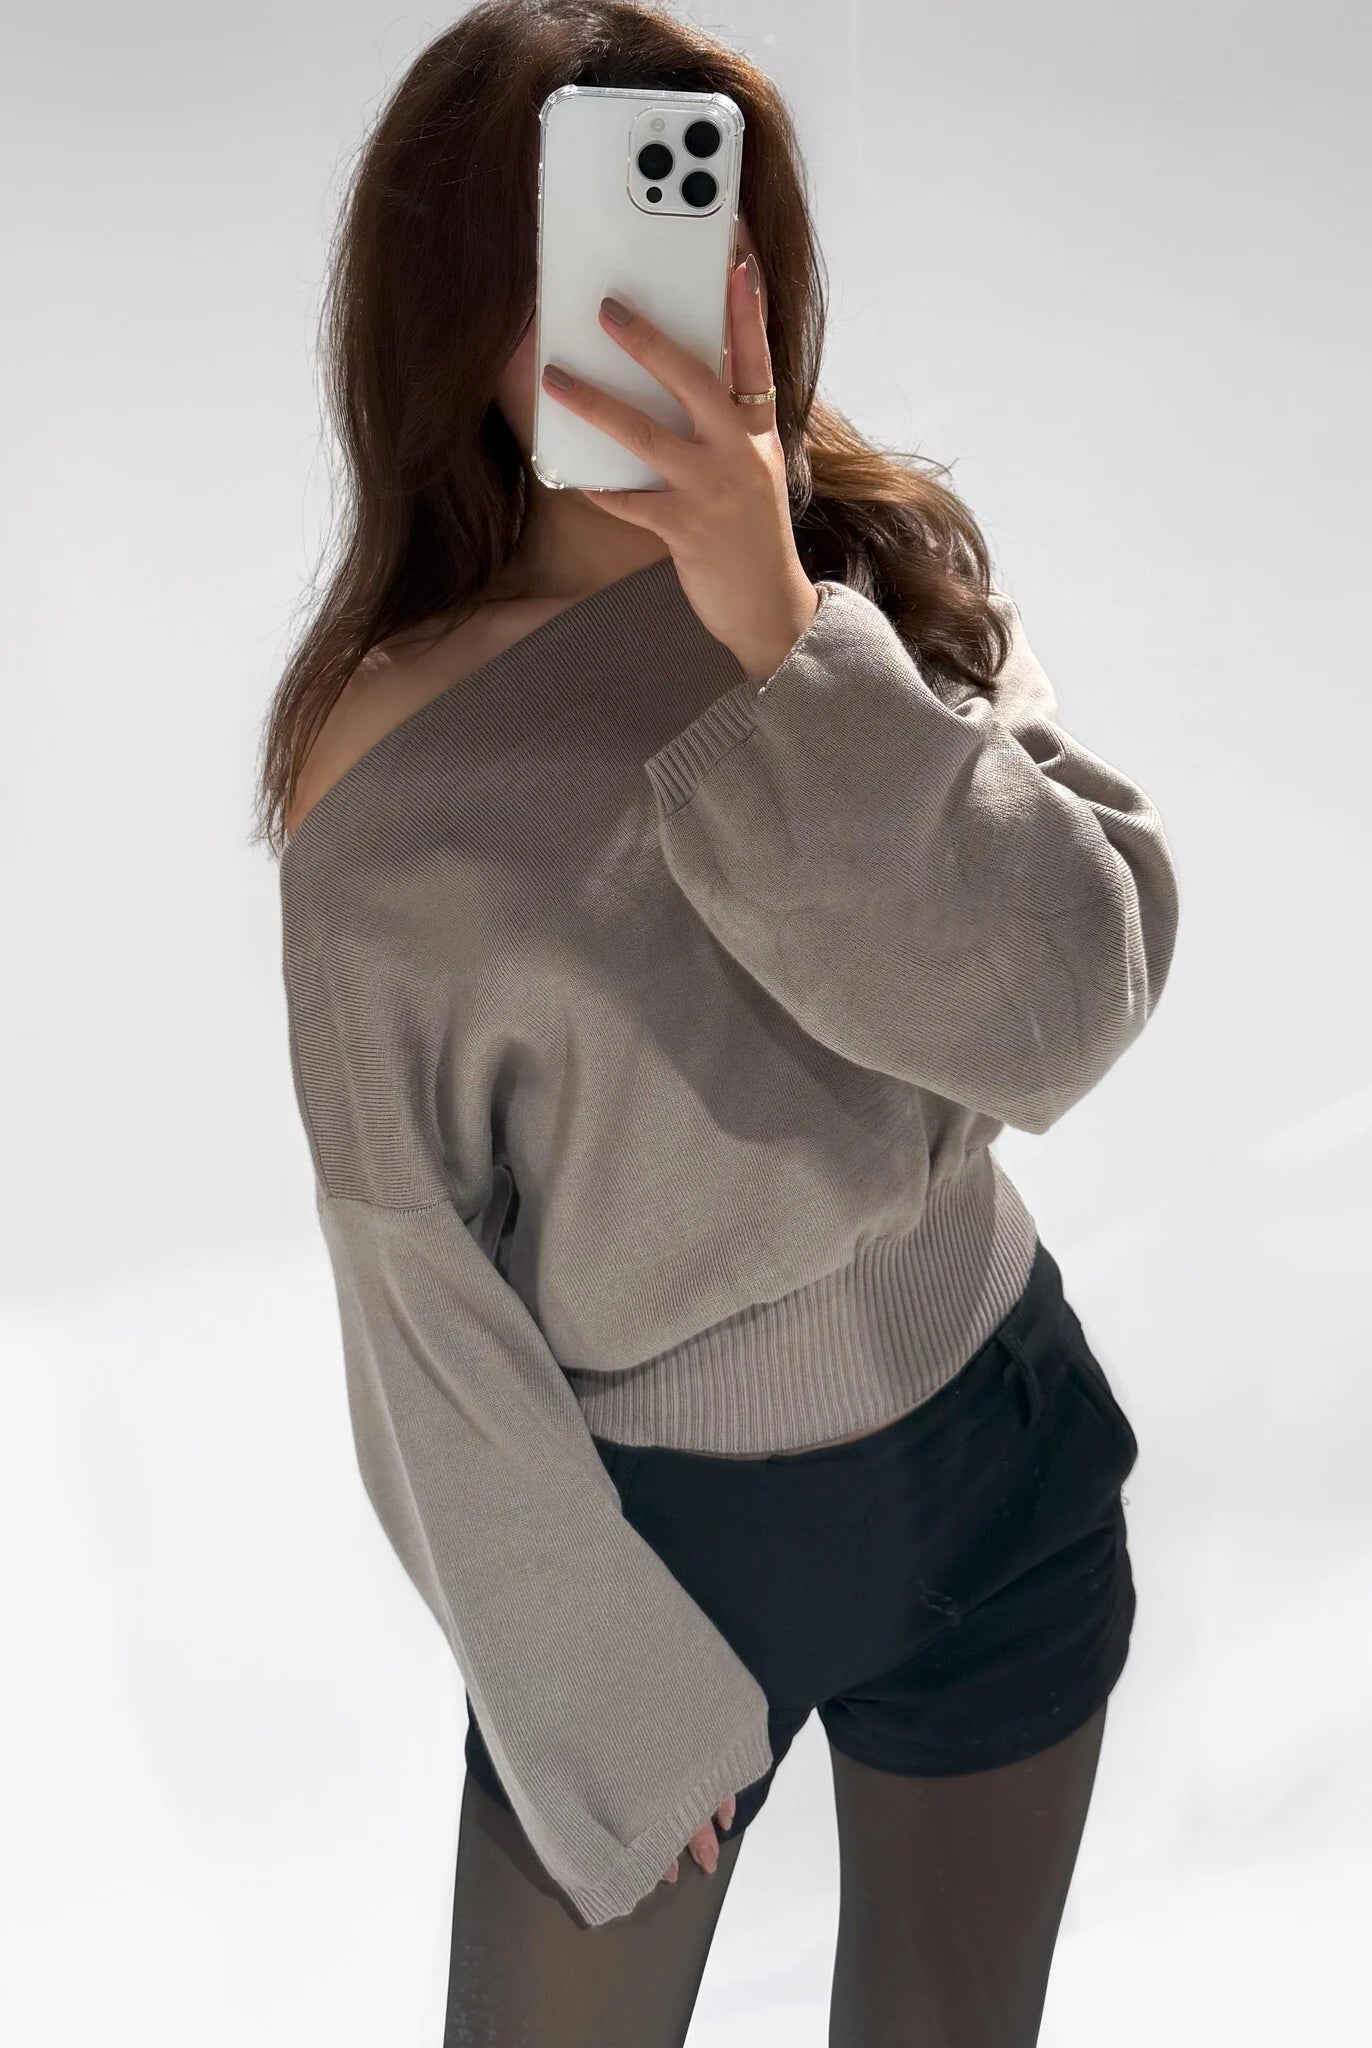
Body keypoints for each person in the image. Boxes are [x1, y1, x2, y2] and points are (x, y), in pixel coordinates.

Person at [255, 5, 1180, 2042]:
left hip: (1003, 1456)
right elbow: (414, 1289)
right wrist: (586, 1686)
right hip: (660, 1554)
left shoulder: (873, 578)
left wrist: (779, 630)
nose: (638, 318)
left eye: (689, 241)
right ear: (449, 321)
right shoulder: (388, 776)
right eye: (561, 275)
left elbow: (1065, 1004)